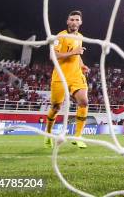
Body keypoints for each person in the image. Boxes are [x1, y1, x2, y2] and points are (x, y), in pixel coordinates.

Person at [44, 10, 89, 149]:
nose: (74, 22)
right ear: (67, 22)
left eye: (77, 20)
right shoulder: (60, 36)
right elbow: (53, 56)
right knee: (56, 107)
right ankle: (48, 133)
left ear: (80, 22)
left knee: (84, 102)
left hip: (76, 76)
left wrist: (82, 66)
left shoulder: (80, 36)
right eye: (72, 19)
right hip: (60, 77)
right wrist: (73, 52)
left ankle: (78, 136)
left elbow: (78, 55)